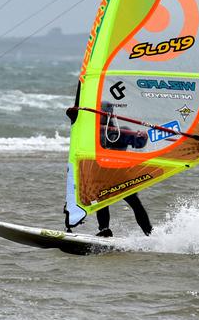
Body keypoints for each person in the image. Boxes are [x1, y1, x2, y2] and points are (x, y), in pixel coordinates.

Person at [65, 95, 152, 238]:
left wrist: (142, 137)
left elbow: (139, 143)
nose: (97, 117)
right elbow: (71, 116)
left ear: (108, 115)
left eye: (100, 114)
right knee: (101, 202)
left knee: (135, 204)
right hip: (101, 174)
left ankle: (149, 233)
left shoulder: (120, 130)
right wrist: (76, 110)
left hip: (120, 174)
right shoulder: (90, 130)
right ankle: (105, 230)